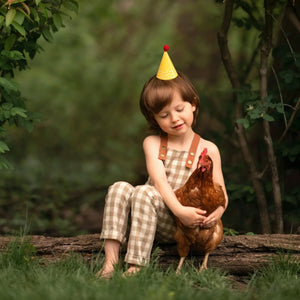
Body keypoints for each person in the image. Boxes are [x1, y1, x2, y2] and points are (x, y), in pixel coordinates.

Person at [97, 45, 228, 279]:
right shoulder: (153, 143)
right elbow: (158, 181)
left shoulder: (209, 149)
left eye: (179, 109)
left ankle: (136, 267)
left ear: (194, 104)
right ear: (154, 119)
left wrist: (216, 214)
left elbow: (222, 195)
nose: (174, 119)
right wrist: (179, 209)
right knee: (120, 188)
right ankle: (110, 263)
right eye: (164, 115)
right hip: (154, 215)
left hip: (182, 227)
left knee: (142, 193)